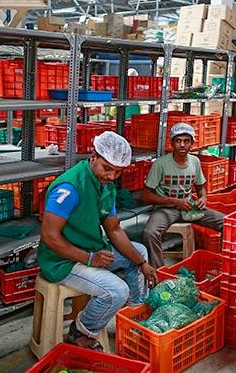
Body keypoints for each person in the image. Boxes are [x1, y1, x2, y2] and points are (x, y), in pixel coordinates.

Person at [38, 131, 157, 350]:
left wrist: (142, 263)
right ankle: (80, 331)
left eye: (117, 172)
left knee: (139, 252)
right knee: (116, 290)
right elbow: (49, 237)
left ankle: (135, 316)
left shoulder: (106, 186)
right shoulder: (70, 188)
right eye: (107, 168)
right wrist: (90, 258)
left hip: (91, 249)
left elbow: (114, 229)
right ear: (93, 157)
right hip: (62, 260)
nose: (111, 176)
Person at [140, 123, 225, 268]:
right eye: (178, 141)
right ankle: (160, 271)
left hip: (189, 207)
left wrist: (203, 198)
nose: (182, 145)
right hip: (165, 208)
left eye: (186, 141)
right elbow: (146, 195)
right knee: (150, 232)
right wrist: (173, 201)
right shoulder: (161, 164)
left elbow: (201, 187)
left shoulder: (195, 161)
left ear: (192, 143)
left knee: (227, 223)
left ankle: (225, 265)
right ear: (172, 143)